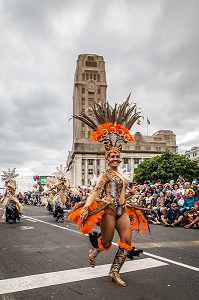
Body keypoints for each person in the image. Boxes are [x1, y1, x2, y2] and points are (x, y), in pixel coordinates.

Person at [67, 96, 148, 287]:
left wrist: (128, 196)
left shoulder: (122, 177)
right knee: (107, 241)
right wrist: (87, 207)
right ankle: (95, 250)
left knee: (127, 242)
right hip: (110, 210)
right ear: (107, 158)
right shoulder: (105, 175)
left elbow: (122, 193)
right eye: (112, 156)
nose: (115, 159)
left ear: (120, 158)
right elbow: (95, 192)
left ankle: (114, 271)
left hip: (122, 210)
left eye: (118, 157)